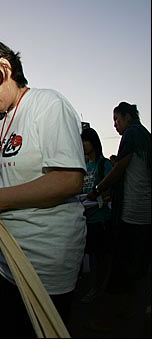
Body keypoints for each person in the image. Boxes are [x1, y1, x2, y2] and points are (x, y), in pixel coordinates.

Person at [0, 37, 86, 337]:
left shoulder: (48, 104)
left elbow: (69, 178)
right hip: (0, 256)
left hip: (41, 257)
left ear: (4, 67)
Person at [86, 102, 151, 332]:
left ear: (127, 117)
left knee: (120, 267)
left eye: (116, 119)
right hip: (144, 214)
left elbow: (120, 170)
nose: (115, 125)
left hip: (132, 213)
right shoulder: (145, 135)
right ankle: (134, 312)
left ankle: (110, 320)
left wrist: (97, 189)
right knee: (138, 266)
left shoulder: (132, 133)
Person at [79, 127, 112, 304]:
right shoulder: (83, 167)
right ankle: (95, 287)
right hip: (85, 218)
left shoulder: (102, 164)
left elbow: (109, 189)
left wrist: (99, 193)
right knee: (91, 256)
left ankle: (100, 289)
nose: (83, 145)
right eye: (81, 141)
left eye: (86, 141)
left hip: (100, 219)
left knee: (100, 257)